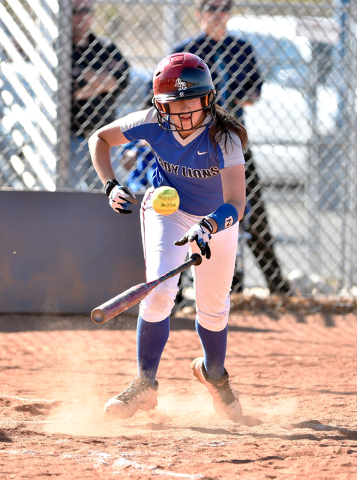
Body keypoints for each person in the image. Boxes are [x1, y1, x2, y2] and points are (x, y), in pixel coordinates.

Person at [89, 53, 247, 422]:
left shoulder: (225, 137)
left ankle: (214, 375)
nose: (184, 112)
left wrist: (208, 225)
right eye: (174, 104)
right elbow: (100, 139)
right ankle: (144, 385)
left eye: (192, 101)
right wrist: (110, 184)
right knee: (159, 291)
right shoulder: (149, 123)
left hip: (217, 220)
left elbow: (236, 203)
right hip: (167, 212)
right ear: (159, 105)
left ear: (208, 99)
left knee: (213, 306)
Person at [172, 0, 292, 295]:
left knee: (252, 209)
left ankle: (276, 285)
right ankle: (181, 285)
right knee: (193, 210)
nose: (219, 14)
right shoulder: (186, 51)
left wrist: (247, 96)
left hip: (231, 139)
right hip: (196, 142)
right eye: (212, 8)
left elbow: (255, 88)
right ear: (199, 14)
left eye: (224, 7)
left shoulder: (241, 48)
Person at [70, 0, 130, 189]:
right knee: (67, 191)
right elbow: (72, 89)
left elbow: (121, 80)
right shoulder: (63, 49)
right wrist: (104, 81)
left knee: (106, 192)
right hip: (71, 134)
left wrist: (82, 74)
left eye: (87, 11)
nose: (83, 16)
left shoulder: (105, 47)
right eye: (77, 11)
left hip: (104, 134)